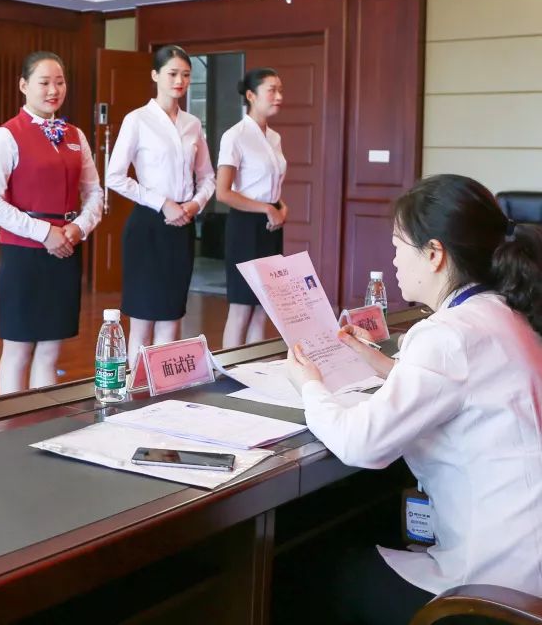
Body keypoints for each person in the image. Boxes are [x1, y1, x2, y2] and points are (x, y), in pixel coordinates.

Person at [284, 174, 542, 624]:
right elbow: (462, 387)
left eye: (398, 246)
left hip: (490, 593)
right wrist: (384, 364)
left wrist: (309, 385)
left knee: (305, 568)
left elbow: (360, 443)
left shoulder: (446, 335)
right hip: (528, 568)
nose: (394, 260)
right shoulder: (504, 314)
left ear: (434, 253)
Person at [0, 51, 103, 394]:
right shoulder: (6, 135)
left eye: (60, 82)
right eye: (44, 82)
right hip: (23, 253)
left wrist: (78, 228)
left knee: (50, 350)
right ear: (24, 85)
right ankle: (10, 422)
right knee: (18, 350)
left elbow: (94, 192)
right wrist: (44, 233)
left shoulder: (75, 135)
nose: (53, 90)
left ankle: (45, 420)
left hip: (66, 249)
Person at [106, 45, 214, 367]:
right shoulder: (137, 120)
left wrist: (194, 204)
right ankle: (136, 387)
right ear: (155, 75)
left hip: (183, 224)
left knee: (172, 316)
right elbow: (114, 176)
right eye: (172, 74)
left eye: (186, 75)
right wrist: (162, 203)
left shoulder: (192, 124)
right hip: (148, 225)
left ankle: (163, 389)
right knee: (142, 319)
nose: (180, 81)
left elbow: (208, 176)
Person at [216, 68, 287, 348]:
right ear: (251, 95)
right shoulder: (235, 136)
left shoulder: (274, 137)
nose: (278, 96)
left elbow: (269, 185)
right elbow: (223, 192)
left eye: (280, 90)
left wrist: (281, 206)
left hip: (271, 225)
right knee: (242, 307)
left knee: (263, 308)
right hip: (245, 226)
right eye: (272, 90)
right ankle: (229, 370)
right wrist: (267, 209)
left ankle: (256, 371)